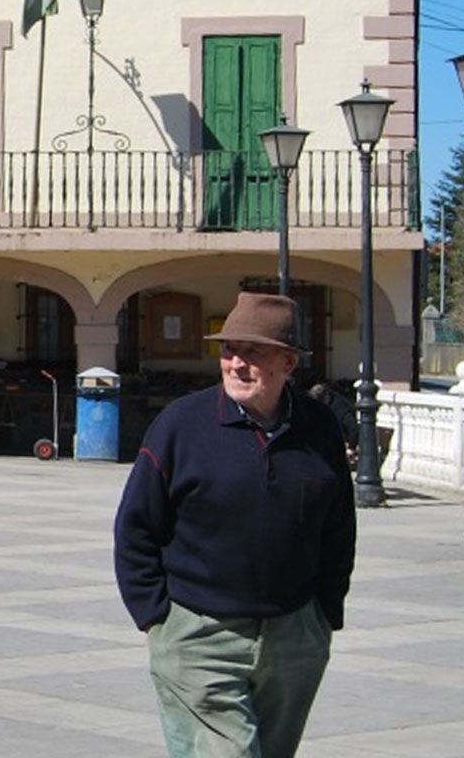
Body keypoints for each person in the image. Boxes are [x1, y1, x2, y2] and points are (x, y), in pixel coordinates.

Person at [114, 292, 356, 758]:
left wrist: (324, 614)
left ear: (288, 363)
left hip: (293, 637)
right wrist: (156, 617)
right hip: (198, 635)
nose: (237, 364)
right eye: (229, 351)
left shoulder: (320, 428)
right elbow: (136, 527)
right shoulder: (180, 426)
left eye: (254, 352)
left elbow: (338, 528)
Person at [307, 381, 360, 465]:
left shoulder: (341, 409)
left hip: (343, 441)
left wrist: (351, 447)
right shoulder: (323, 407)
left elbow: (353, 428)